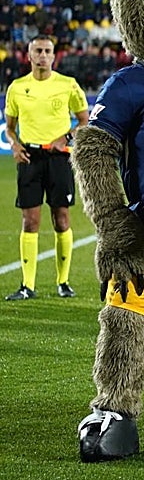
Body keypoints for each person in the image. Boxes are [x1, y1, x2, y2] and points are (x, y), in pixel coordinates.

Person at [5, 34, 89, 300]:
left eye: (47, 51)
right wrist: (15, 145)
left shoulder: (68, 85)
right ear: (29, 55)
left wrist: (66, 137)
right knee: (30, 221)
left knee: (61, 218)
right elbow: (8, 127)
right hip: (29, 157)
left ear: (54, 56)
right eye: (38, 50)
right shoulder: (17, 87)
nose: (43, 55)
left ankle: (63, 282)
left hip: (59, 158)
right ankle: (27, 286)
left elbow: (84, 120)